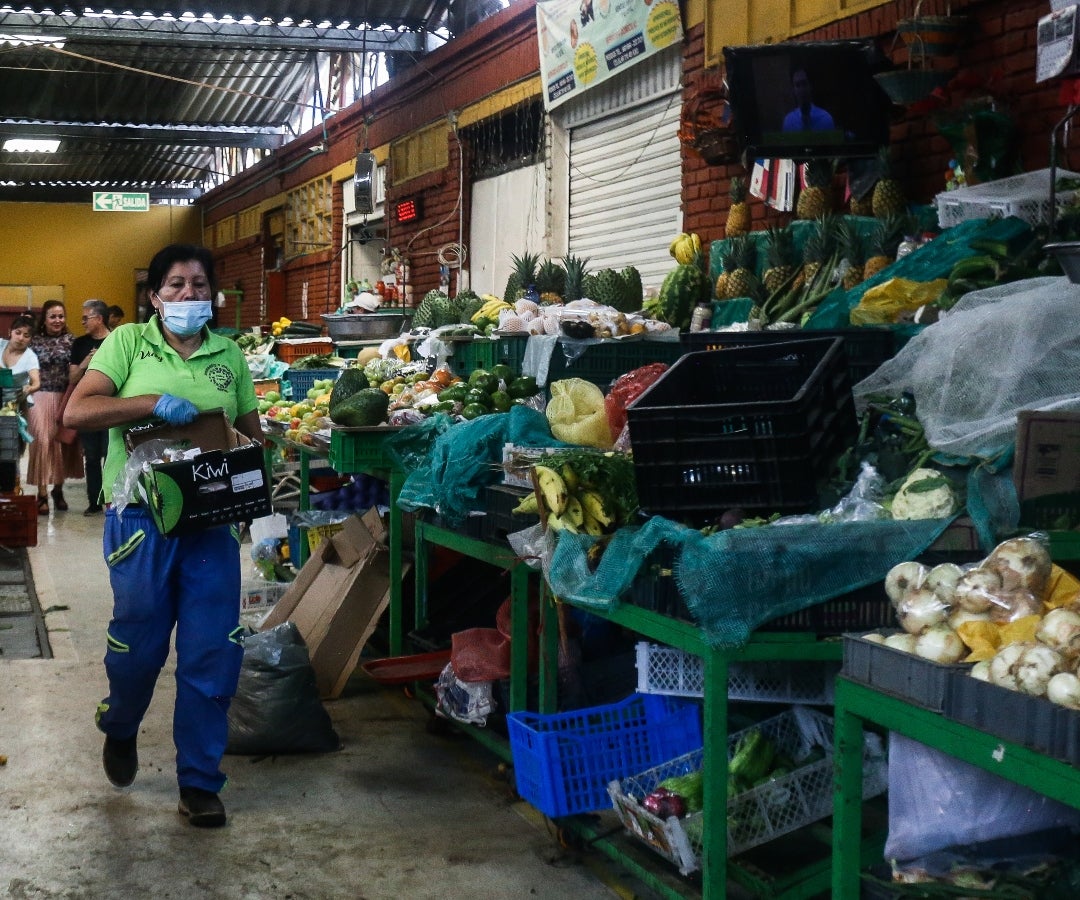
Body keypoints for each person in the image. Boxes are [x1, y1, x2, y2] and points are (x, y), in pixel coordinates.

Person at [64, 244, 262, 829]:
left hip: (211, 523)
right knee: (139, 645)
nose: (188, 295)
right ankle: (121, 724)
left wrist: (255, 467)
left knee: (212, 650)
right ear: (154, 296)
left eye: (199, 285)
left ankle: (199, 781)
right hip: (141, 520)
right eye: (175, 285)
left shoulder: (230, 354)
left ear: (213, 296)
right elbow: (78, 411)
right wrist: (149, 403)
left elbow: (247, 432)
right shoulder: (128, 343)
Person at [28, 300, 83, 515]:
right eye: (53, 316)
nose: (58, 320)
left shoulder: (73, 342)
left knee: (62, 445)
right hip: (39, 397)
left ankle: (57, 490)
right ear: (45, 319)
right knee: (42, 441)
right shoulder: (33, 341)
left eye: (61, 316)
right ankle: (41, 493)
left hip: (65, 397)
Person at [69, 300, 112, 515]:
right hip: (88, 408)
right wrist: (86, 361)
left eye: (86, 318)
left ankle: (112, 500)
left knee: (111, 454)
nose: (83, 321)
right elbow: (73, 377)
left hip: (113, 408)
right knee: (92, 457)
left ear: (99, 318)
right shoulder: (79, 344)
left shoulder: (117, 341)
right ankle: (94, 501)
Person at [0, 314, 41, 406]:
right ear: (10, 332)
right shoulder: (0, 344)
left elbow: (36, 382)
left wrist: (29, 388)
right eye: (17, 333)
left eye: (26, 336)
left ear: (31, 339)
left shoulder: (30, 357)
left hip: (14, 402)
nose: (21, 338)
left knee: (7, 420)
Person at [782, 68, 835, 133]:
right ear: (793, 90)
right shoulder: (788, 121)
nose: (801, 89)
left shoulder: (826, 119)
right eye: (797, 85)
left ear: (810, 86)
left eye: (804, 84)